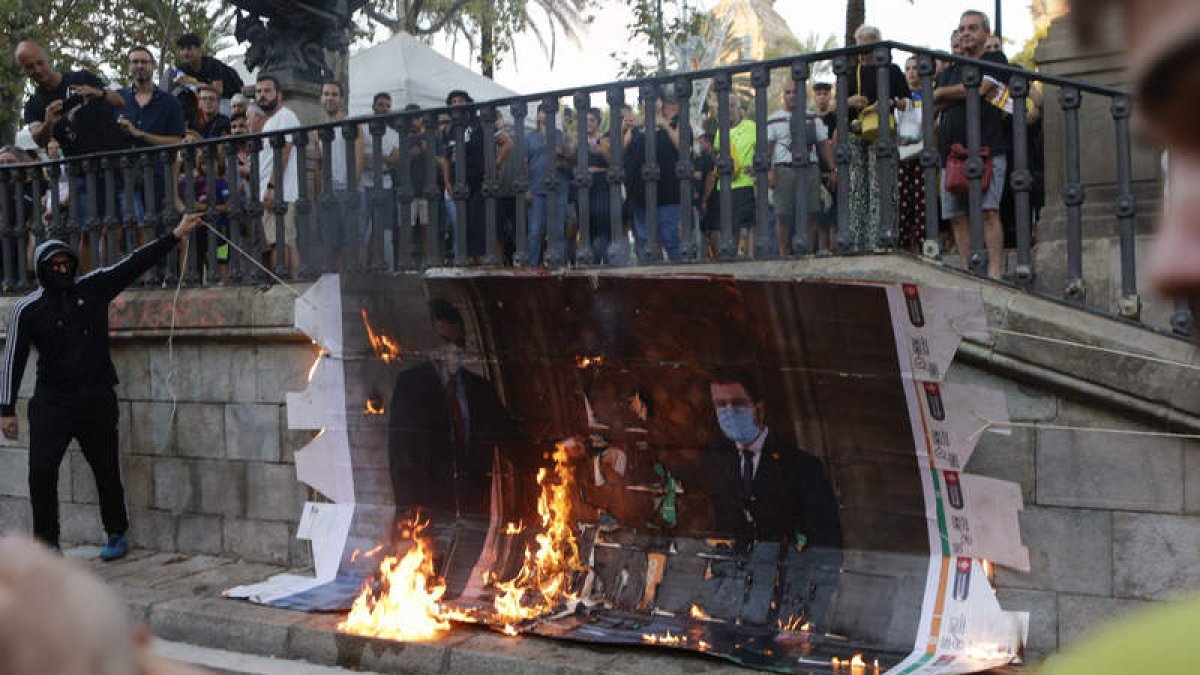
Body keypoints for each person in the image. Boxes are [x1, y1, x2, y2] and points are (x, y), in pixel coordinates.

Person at [0, 213, 204, 558]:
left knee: (107, 469)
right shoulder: (27, 308)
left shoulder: (93, 287)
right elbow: (12, 360)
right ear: (41, 268)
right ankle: (47, 544)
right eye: (54, 264)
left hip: (96, 397)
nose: (61, 269)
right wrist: (6, 409)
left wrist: (175, 235)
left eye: (66, 262)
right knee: (41, 471)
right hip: (52, 402)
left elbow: (132, 264)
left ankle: (115, 533)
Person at [387, 299, 515, 518]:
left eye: (459, 342)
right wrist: (408, 517)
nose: (454, 350)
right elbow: (400, 456)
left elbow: (510, 436)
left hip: (474, 510)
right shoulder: (410, 386)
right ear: (431, 343)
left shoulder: (481, 390)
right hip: (429, 515)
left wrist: (558, 446)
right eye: (446, 341)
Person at [707, 368, 842, 549]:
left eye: (738, 403)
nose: (729, 412)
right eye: (721, 404)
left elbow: (827, 544)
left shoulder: (803, 466)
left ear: (759, 409)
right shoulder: (716, 466)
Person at [934, 10, 1011, 279]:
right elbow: (936, 102)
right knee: (956, 214)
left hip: (988, 148)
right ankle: (968, 270)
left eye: (973, 28)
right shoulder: (950, 69)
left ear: (986, 33)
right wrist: (952, 93)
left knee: (989, 210)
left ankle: (995, 271)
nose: (966, 32)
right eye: (962, 28)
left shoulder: (995, 59)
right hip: (952, 152)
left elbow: (982, 88)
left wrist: (946, 93)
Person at [843, 24, 910, 251]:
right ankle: (857, 243)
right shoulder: (851, 73)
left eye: (869, 47)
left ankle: (881, 240)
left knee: (881, 185)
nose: (865, 53)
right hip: (856, 132)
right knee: (857, 188)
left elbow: (906, 101)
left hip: (882, 131)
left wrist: (888, 102)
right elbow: (835, 106)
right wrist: (849, 102)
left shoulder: (892, 71)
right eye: (862, 47)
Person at [767, 79, 833, 254]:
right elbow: (767, 149)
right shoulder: (774, 119)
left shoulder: (813, 118)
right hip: (784, 170)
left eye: (795, 92)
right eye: (787, 92)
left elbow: (823, 144)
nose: (791, 96)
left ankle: (808, 253)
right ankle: (783, 254)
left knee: (811, 211)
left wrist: (834, 168)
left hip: (809, 168)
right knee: (783, 214)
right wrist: (769, 172)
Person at [624, 93, 684, 262]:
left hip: (668, 194)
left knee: (671, 239)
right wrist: (622, 128)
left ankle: (678, 280)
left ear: (661, 102)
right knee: (644, 243)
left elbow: (683, 148)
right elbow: (617, 154)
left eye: (654, 98)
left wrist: (665, 126)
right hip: (641, 196)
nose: (650, 102)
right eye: (645, 98)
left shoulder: (674, 123)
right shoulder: (634, 129)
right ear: (641, 103)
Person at [255, 74, 301, 276]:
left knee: (281, 243)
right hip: (272, 191)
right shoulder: (270, 121)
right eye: (258, 92)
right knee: (282, 241)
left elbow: (284, 151)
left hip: (281, 192)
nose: (262, 96)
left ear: (279, 95)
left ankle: (285, 284)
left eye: (267, 91)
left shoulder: (285, 116)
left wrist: (272, 187)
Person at [313, 80, 361, 266]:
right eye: (326, 94)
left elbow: (357, 159)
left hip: (347, 191)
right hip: (329, 192)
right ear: (320, 98)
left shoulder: (351, 124)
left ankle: (354, 283)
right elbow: (319, 163)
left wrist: (352, 188)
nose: (329, 98)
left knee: (353, 241)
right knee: (331, 243)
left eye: (334, 94)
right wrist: (319, 192)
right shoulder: (318, 129)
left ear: (341, 99)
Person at [703, 96, 757, 256]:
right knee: (729, 226)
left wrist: (756, 168)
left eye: (732, 105)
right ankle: (732, 258)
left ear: (739, 107)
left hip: (745, 183)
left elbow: (763, 150)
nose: (729, 110)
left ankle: (751, 258)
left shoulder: (751, 126)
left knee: (749, 224)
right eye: (726, 107)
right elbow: (717, 155)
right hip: (725, 185)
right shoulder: (721, 131)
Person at [524, 104, 571, 266]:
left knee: (557, 231)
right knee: (535, 232)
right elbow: (524, 163)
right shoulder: (529, 137)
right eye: (543, 112)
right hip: (536, 190)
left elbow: (570, 159)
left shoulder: (560, 135)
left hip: (558, 189)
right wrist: (526, 188)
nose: (545, 115)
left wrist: (563, 150)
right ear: (538, 115)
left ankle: (557, 267)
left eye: (549, 112)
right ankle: (532, 268)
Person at [359, 91, 401, 268]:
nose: (384, 108)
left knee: (385, 231)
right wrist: (384, 158)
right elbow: (361, 158)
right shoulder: (364, 131)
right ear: (374, 106)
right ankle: (364, 267)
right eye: (381, 104)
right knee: (365, 231)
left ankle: (386, 267)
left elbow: (396, 160)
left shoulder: (394, 134)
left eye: (387, 106)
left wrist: (377, 158)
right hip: (366, 185)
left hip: (386, 185)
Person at [896, 55, 928, 253]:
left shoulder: (929, 95)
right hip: (902, 152)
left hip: (923, 153)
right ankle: (905, 244)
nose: (912, 73)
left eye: (915, 68)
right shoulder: (899, 98)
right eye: (907, 69)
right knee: (902, 199)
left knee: (921, 201)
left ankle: (922, 243)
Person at [173, 32, 244, 116]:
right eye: (182, 49)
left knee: (220, 113)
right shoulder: (183, 69)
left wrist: (195, 84)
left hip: (231, 97)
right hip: (208, 99)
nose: (185, 52)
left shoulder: (212, 64)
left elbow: (218, 90)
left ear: (199, 50)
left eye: (189, 48)